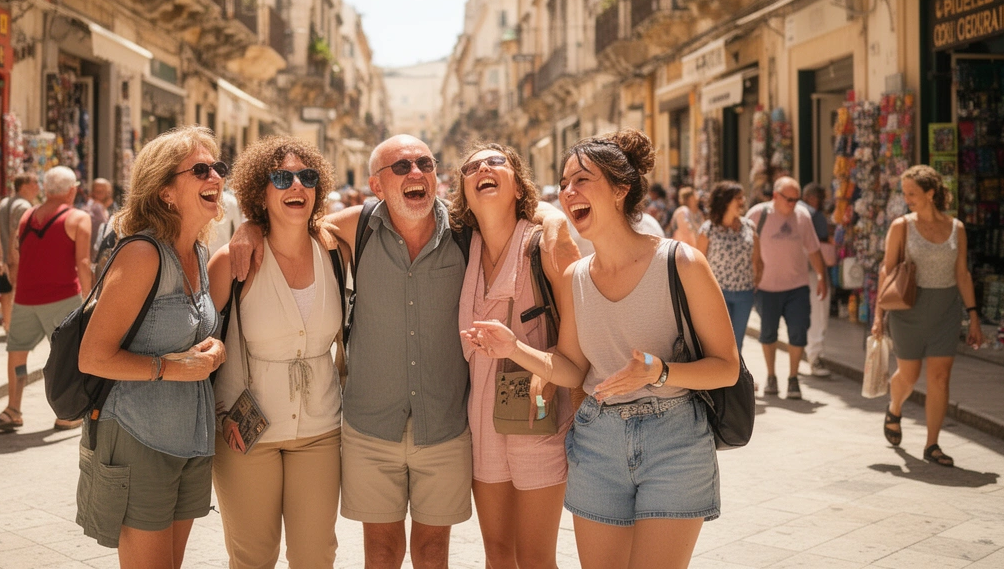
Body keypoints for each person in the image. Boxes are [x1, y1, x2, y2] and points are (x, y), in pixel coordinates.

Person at [229, 134, 572, 569]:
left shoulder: (466, 234)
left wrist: (554, 215)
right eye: (402, 167)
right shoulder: (356, 228)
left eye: (425, 165)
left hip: (444, 426)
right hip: (372, 426)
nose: (416, 173)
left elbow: (513, 205)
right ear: (377, 185)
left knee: (432, 554)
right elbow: (289, 219)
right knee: (381, 553)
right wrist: (250, 226)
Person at [464, 130, 740, 569]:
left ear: (620, 189)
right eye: (564, 182)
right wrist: (514, 347)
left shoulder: (681, 262)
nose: (569, 191)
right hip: (598, 441)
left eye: (582, 179)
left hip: (675, 440)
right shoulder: (575, 277)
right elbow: (573, 368)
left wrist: (660, 372)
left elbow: (727, 367)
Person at [76, 126, 227, 562]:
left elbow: (192, 329)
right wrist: (168, 368)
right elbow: (93, 356)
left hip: (191, 439)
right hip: (139, 436)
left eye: (217, 167)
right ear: (165, 191)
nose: (215, 176)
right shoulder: (142, 254)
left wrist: (214, 349)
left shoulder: (197, 252)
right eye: (200, 169)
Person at [207, 136, 347, 569]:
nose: (296, 187)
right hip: (246, 433)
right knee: (252, 557)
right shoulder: (232, 261)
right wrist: (222, 413)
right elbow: (214, 343)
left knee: (315, 555)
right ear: (260, 192)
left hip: (321, 432)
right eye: (281, 178)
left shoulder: (336, 251)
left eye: (307, 178)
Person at [450, 142, 578, 569]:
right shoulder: (461, 245)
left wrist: (517, 349)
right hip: (482, 418)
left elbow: (579, 350)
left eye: (496, 161)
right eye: (472, 166)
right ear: (464, 191)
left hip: (538, 416)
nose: (483, 167)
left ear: (519, 184)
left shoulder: (548, 244)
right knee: (498, 556)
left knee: (536, 558)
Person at [873, 166, 981, 468]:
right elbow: (887, 269)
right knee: (909, 375)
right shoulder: (901, 226)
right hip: (908, 309)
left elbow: (962, 273)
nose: (907, 199)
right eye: (905, 193)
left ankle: (932, 444)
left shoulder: (956, 227)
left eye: (912, 193)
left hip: (946, 308)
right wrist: (878, 315)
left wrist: (973, 315)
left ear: (930, 193)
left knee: (940, 377)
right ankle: (895, 407)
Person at [0, 166, 92, 432]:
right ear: (71, 190)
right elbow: (83, 262)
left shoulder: (27, 216)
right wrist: (89, 297)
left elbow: (14, 256)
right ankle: (67, 414)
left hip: (26, 298)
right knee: (67, 356)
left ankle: (13, 409)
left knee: (17, 355)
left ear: (45, 189)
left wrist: (19, 287)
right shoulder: (78, 218)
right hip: (64, 297)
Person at [748, 177, 829, 400]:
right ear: (775, 196)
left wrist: (822, 276)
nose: (793, 204)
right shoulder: (758, 214)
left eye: (796, 199)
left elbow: (813, 249)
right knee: (768, 333)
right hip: (766, 287)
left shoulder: (802, 217)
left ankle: (793, 378)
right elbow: (744, 245)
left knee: (798, 331)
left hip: (797, 287)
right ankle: (772, 376)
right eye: (789, 199)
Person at [697, 181, 756, 350]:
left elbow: (757, 260)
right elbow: (697, 264)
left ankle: (736, 376)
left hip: (745, 293)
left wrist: (756, 282)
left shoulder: (749, 227)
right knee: (721, 344)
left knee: (738, 344)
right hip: (717, 294)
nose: (743, 201)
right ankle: (721, 375)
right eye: (738, 198)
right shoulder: (708, 229)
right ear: (725, 201)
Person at [0, 173, 39, 332]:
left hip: (6, 255)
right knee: (19, 291)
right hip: (17, 256)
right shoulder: (23, 206)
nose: (37, 187)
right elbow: (16, 233)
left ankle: (8, 326)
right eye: (34, 182)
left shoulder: (4, 202)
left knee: (6, 291)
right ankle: (17, 328)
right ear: (23, 186)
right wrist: (14, 256)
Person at [801, 183, 835, 378]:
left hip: (792, 272)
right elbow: (822, 242)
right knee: (818, 314)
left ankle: (801, 357)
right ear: (813, 198)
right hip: (814, 271)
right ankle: (815, 357)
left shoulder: (793, 212)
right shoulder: (814, 215)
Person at [84, 178, 114, 261]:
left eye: (102, 191)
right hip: (95, 256)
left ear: (108, 192)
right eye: (97, 191)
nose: (99, 195)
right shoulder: (95, 208)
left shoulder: (110, 208)